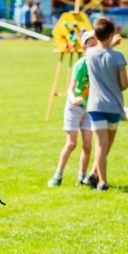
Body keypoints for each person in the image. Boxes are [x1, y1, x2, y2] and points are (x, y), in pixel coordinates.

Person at [48, 30, 96, 187]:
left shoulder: (98, 65)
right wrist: (73, 98)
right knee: (72, 143)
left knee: (88, 145)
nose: (94, 45)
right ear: (84, 46)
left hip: (89, 109)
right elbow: (71, 87)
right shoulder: (80, 65)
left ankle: (82, 176)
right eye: (90, 42)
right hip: (74, 108)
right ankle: (58, 175)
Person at [85, 16, 128, 191]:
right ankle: (102, 182)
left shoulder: (89, 53)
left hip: (95, 106)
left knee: (100, 145)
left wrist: (109, 44)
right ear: (111, 34)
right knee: (106, 145)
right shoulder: (118, 57)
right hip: (113, 106)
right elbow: (124, 84)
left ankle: (93, 174)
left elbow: (99, 51)